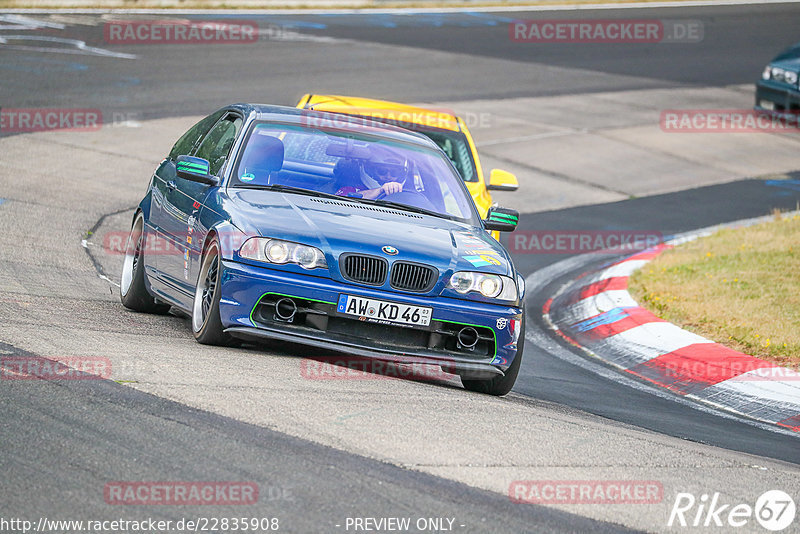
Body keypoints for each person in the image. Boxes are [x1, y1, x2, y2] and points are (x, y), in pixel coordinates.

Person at [335, 155, 408, 199]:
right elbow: (339, 203)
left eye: (394, 173)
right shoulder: (349, 190)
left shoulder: (406, 193)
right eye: (382, 171)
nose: (388, 176)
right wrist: (380, 190)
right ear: (371, 171)